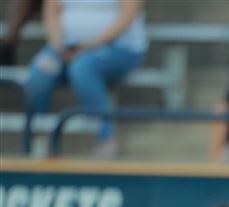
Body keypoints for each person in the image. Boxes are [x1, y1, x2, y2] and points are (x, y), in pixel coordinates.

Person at [22, 0, 147, 158]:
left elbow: (128, 15)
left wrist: (90, 45)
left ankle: (104, 138)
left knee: (83, 68)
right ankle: (36, 139)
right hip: (65, 47)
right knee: (40, 71)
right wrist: (58, 45)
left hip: (118, 47)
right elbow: (51, 13)